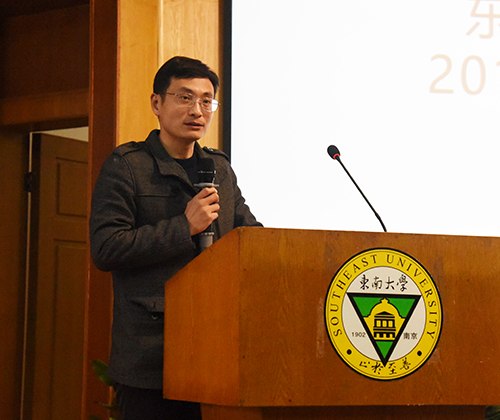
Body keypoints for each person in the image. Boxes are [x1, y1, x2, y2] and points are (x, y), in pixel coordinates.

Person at [89, 56, 262, 420]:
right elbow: (107, 248)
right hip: (150, 357)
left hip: (215, 349)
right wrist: (184, 227)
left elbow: (248, 236)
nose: (197, 110)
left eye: (206, 101)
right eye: (185, 97)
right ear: (157, 103)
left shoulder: (219, 168)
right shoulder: (128, 166)